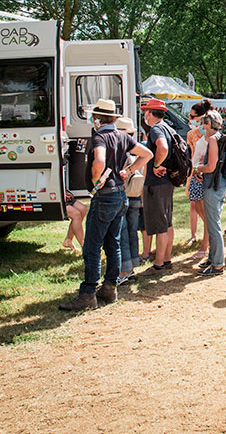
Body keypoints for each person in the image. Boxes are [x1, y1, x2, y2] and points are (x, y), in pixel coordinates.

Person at [60, 99, 152, 311]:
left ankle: (88, 293)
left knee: (92, 246)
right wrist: (128, 171)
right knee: (114, 243)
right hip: (120, 194)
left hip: (104, 196)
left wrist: (94, 181)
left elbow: (99, 161)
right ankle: (110, 288)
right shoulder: (122, 136)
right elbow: (147, 154)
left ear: (96, 119)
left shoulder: (99, 136)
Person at [140, 97, 175, 271]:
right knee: (167, 223)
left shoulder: (155, 130)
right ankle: (166, 259)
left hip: (157, 183)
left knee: (161, 224)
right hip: (167, 182)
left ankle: (159, 263)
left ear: (149, 113)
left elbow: (162, 148)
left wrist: (155, 165)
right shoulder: (168, 127)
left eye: (145, 111)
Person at [192, 110, 226, 276]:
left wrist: (197, 169)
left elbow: (211, 167)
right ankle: (213, 259)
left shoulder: (213, 139)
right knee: (214, 223)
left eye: (203, 123)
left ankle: (218, 264)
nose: (201, 126)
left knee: (213, 226)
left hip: (213, 186)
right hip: (219, 185)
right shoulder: (221, 137)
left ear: (208, 124)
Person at [115, 117, 144, 285]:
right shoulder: (137, 151)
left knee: (122, 234)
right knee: (132, 232)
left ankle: (125, 270)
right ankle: (133, 265)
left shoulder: (120, 153)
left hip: (124, 196)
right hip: (136, 196)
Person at [185, 100, 212, 257]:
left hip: (206, 174)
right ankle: (196, 236)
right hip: (195, 173)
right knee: (196, 206)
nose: (191, 119)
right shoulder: (191, 134)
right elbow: (191, 155)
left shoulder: (212, 134)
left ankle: (206, 243)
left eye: (193, 116)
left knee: (206, 210)